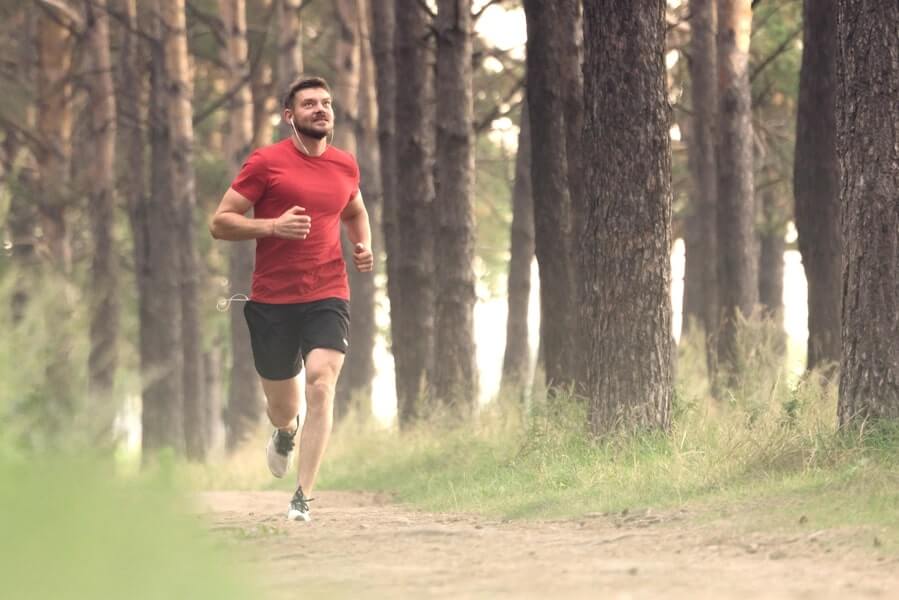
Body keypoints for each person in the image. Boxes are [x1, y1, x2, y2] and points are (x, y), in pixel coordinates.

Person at [209, 76, 373, 522]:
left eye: (326, 103)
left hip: (327, 291)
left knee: (322, 383)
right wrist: (272, 226)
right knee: (285, 407)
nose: (321, 109)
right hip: (272, 300)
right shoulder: (266, 163)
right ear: (290, 116)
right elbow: (220, 222)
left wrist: (363, 245)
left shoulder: (345, 165)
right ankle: (285, 432)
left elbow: (354, 210)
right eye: (309, 104)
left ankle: (302, 496)